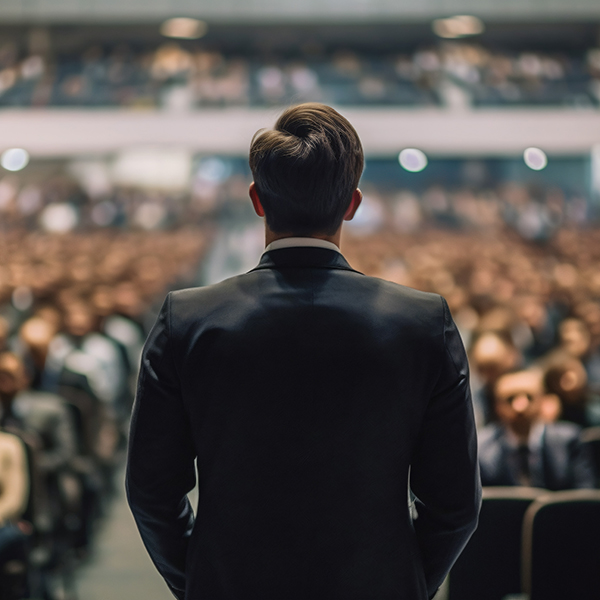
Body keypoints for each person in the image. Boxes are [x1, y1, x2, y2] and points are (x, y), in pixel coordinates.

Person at [126, 103, 481, 600]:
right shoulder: (422, 322)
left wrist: (202, 579)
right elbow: (456, 504)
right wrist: (402, 581)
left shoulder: (188, 318)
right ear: (352, 204)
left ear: (257, 199)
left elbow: (151, 491)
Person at [478, 368, 595, 489]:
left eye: (529, 397)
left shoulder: (569, 440)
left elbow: (584, 494)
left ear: (543, 401)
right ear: (497, 406)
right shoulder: (482, 448)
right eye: (510, 399)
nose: (520, 407)